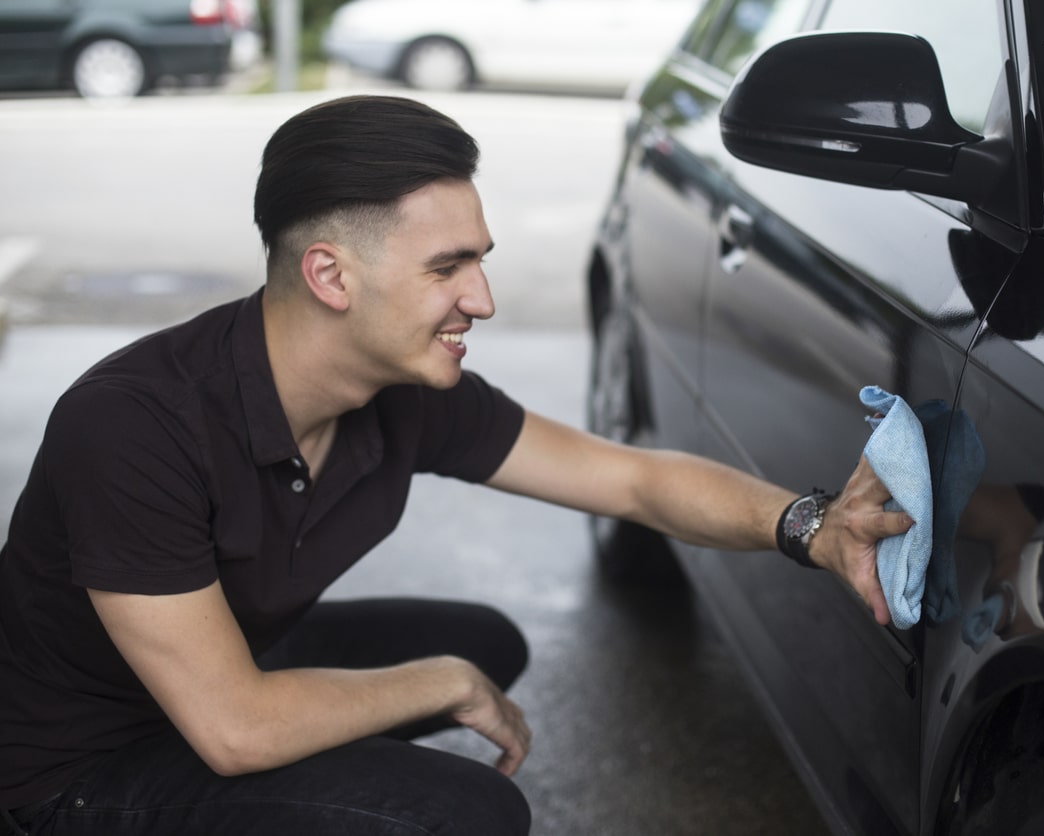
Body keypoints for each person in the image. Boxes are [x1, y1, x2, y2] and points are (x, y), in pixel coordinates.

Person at [0, 95, 912, 836]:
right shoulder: (133, 426)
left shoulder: (404, 393)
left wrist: (812, 526)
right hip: (74, 770)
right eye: (449, 267)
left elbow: (629, 479)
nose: (481, 297)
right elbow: (236, 730)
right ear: (330, 276)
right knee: (464, 810)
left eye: (479, 260)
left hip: (220, 670)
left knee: (486, 642)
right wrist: (439, 684)